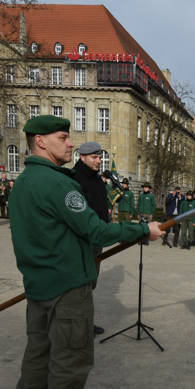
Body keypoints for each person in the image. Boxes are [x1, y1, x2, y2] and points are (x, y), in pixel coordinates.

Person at [9, 115, 164, 389]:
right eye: (64, 137)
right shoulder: (59, 183)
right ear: (41, 141)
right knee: (71, 353)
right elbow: (97, 230)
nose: (70, 143)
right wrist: (142, 229)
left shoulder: (25, 180)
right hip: (67, 285)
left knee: (39, 348)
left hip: (37, 283)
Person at [69, 141, 112, 336]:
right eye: (95, 157)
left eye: (100, 157)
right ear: (82, 157)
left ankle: (85, 321)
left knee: (90, 283)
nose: (99, 160)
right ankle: (78, 325)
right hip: (82, 241)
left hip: (97, 240)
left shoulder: (97, 180)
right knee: (80, 285)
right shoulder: (74, 179)